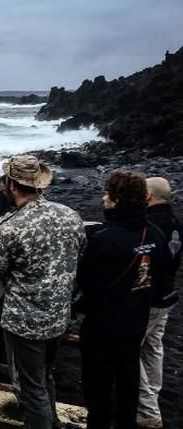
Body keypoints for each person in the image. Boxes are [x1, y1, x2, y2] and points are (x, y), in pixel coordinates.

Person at [0, 155, 86, 429]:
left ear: (12, 186)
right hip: (59, 316)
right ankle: (53, 422)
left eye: (4, 182)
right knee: (46, 376)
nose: (2, 186)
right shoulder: (70, 215)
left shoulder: (11, 226)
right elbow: (80, 253)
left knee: (30, 387)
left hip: (24, 323)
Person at [78, 171, 167, 429]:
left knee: (98, 388)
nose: (103, 198)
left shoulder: (103, 240)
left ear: (116, 200)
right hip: (136, 322)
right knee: (128, 383)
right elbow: (160, 274)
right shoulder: (155, 234)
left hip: (102, 327)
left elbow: (86, 283)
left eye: (107, 194)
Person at [137, 177, 181, 429]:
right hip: (167, 294)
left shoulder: (150, 225)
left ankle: (147, 411)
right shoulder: (176, 223)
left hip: (149, 298)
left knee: (129, 350)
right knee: (153, 347)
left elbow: (143, 266)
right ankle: (152, 392)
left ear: (148, 196)